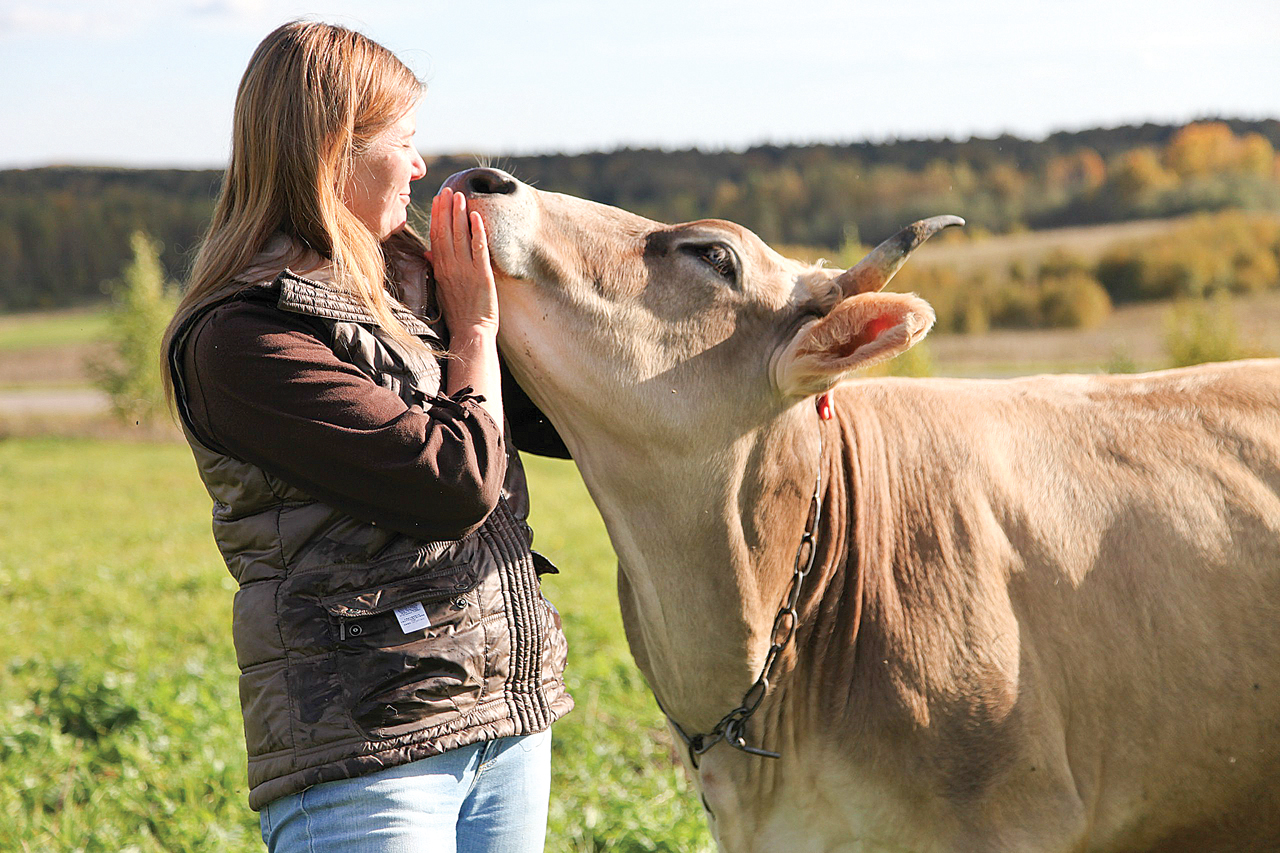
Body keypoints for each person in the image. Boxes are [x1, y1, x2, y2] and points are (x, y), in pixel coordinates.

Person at [161, 20, 572, 853]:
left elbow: (563, 415)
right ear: (333, 151)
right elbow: (453, 480)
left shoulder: (408, 290)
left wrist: (768, 380)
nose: (421, 167)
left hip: (503, 718)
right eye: (405, 142)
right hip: (368, 748)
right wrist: (476, 332)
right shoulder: (242, 340)